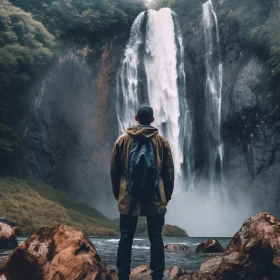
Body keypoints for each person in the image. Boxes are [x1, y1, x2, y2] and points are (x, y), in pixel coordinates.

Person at [110, 104, 175, 280]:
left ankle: (123, 276)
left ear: (136, 118)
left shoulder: (122, 140)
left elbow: (114, 171)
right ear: (152, 120)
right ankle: (157, 276)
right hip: (155, 196)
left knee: (125, 237)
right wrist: (166, 196)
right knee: (156, 237)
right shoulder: (162, 141)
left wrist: (119, 194)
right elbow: (169, 172)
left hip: (128, 196)